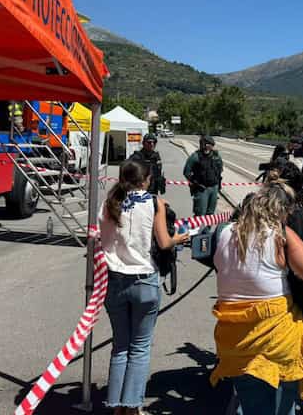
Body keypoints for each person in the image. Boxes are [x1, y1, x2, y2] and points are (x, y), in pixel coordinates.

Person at [211, 181, 303, 415]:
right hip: (276, 337)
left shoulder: (223, 233)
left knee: (255, 407)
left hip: (234, 339)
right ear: (281, 211)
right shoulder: (279, 234)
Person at [100, 160, 189, 415]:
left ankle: (116, 407)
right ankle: (132, 406)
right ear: (146, 179)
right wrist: (179, 238)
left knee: (120, 346)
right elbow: (163, 242)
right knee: (140, 348)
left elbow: (102, 240)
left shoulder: (110, 202)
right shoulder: (154, 203)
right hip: (144, 280)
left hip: (114, 279)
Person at [183, 135, 223, 216]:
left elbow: (220, 170)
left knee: (210, 215)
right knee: (200, 214)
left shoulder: (216, 156)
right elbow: (186, 172)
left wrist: (217, 185)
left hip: (214, 188)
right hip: (202, 189)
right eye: (204, 144)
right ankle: (197, 228)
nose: (206, 146)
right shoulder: (195, 156)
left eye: (208, 144)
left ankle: (206, 229)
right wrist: (195, 183)